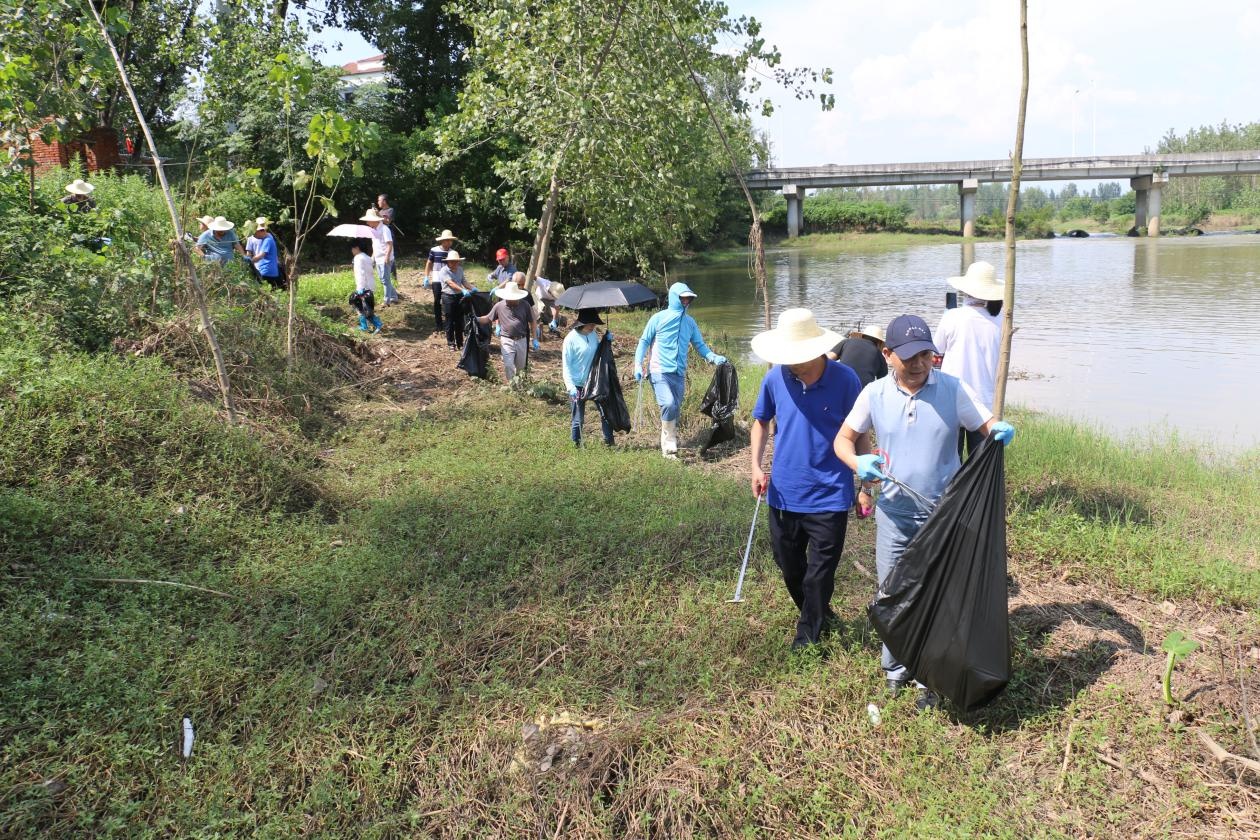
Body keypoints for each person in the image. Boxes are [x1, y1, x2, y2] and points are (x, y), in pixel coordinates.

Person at [833, 314, 1015, 710]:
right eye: (909, 356)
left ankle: (928, 676)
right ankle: (895, 669)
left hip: (943, 519)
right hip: (894, 514)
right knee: (893, 591)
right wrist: (857, 464)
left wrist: (998, 429)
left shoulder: (951, 388)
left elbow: (985, 425)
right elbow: (843, 440)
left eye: (926, 355)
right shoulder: (874, 394)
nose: (918, 364)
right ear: (888, 354)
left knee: (939, 596)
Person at [750, 309, 867, 650]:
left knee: (819, 574)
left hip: (830, 493)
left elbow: (859, 432)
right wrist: (755, 466)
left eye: (798, 357)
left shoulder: (846, 380)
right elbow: (761, 421)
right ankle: (820, 615)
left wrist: (864, 482)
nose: (792, 364)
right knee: (789, 567)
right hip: (785, 493)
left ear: (818, 350)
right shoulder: (775, 379)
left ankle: (807, 637)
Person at [633, 282, 727, 458]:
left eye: (688, 298)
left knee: (675, 408)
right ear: (674, 298)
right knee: (668, 403)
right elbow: (644, 341)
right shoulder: (658, 318)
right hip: (658, 370)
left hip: (679, 373)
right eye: (682, 297)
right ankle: (669, 447)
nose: (686, 301)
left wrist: (713, 357)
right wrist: (637, 364)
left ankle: (669, 440)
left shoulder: (690, 323)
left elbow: (700, 345)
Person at [936, 261, 1005, 460]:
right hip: (985, 402)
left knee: (951, 461)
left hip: (952, 399)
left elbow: (936, 350)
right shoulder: (1002, 320)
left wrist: (948, 316)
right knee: (980, 464)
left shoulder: (953, 317)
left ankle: (953, 493)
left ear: (965, 291)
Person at [563, 309, 614, 448]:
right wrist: (570, 386)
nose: (593, 326)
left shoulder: (593, 335)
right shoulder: (570, 339)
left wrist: (606, 341)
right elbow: (566, 366)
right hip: (577, 384)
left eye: (594, 323)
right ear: (582, 323)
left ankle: (609, 442)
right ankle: (576, 445)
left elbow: (598, 354)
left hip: (594, 382)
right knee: (578, 419)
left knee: (605, 413)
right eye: (590, 323)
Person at [479, 275, 536, 382]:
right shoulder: (499, 305)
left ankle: (520, 386)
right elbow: (487, 318)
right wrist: (476, 319)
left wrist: (535, 338)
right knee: (508, 365)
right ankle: (512, 385)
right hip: (506, 339)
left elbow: (532, 321)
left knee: (520, 367)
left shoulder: (525, 305)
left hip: (522, 340)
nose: (511, 300)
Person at [435, 249, 473, 350]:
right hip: (448, 297)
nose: (454, 263)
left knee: (459, 320)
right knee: (450, 320)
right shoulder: (444, 271)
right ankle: (451, 343)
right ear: (448, 262)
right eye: (452, 261)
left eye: (456, 261)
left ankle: (460, 342)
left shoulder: (460, 269)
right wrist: (463, 290)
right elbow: (451, 283)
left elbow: (464, 281)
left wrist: (473, 288)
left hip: (459, 297)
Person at [361, 208, 398, 305]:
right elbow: (376, 246)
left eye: (368, 220)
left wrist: (387, 257)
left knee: (385, 280)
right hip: (378, 258)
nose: (367, 223)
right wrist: (372, 258)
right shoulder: (374, 230)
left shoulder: (385, 229)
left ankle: (387, 301)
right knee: (383, 279)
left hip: (385, 258)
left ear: (374, 220)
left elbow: (389, 244)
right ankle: (394, 296)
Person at [423, 230, 457, 331]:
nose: (449, 242)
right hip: (437, 278)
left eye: (450, 241)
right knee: (437, 301)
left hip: (448, 279)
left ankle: (449, 322)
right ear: (442, 241)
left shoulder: (452, 253)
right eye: (447, 240)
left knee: (449, 300)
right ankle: (438, 323)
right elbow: (429, 263)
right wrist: (426, 276)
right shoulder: (434, 250)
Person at [350, 237, 383, 333]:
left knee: (360, 308)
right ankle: (366, 326)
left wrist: (360, 288)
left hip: (363, 287)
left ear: (356, 248)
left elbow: (360, 273)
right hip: (370, 287)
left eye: (352, 248)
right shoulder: (368, 257)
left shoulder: (357, 258)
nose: (351, 251)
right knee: (366, 308)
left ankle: (374, 325)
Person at [248, 223, 283, 288]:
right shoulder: (266, 240)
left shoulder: (268, 240)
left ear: (261, 231)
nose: (255, 236)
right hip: (269, 271)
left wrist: (249, 262)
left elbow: (261, 255)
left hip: (267, 271)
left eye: (255, 234)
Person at [533, 276, 565, 342]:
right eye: (554, 295)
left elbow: (556, 307)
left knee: (553, 316)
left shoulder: (558, 293)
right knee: (539, 311)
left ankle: (552, 327)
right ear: (551, 291)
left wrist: (554, 320)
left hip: (549, 301)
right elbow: (534, 276)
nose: (554, 296)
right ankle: (537, 326)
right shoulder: (544, 283)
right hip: (538, 298)